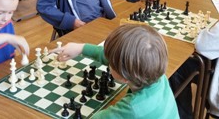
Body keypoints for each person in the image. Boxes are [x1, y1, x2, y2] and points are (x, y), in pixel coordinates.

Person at [50, 24, 179, 118]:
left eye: (110, 62)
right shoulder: (157, 75)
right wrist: (81, 48)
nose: (108, 61)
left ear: (123, 77)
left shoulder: (131, 109)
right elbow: (120, 60)